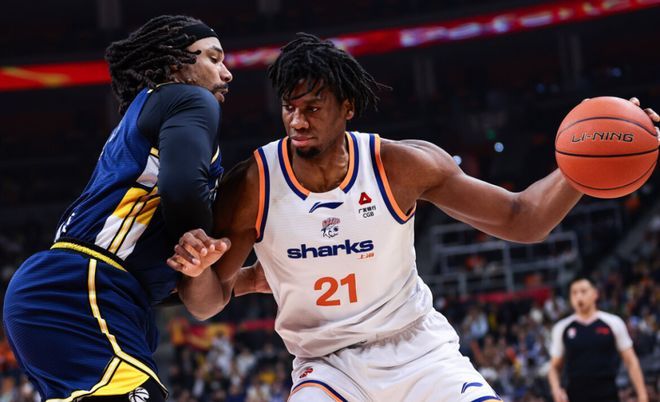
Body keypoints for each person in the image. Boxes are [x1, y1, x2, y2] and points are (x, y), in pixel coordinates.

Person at [168, 34, 660, 401]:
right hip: (326, 365)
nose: (298, 120)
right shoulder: (253, 184)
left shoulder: (401, 166)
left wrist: (582, 169)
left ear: (347, 107)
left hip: (419, 349)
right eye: (289, 107)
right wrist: (198, 273)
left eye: (313, 107)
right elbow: (207, 302)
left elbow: (523, 218)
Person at [2, 15, 236, 401]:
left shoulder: (145, 115)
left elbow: (178, 284)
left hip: (86, 292)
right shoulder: (189, 99)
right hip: (85, 288)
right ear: (176, 64)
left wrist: (234, 280)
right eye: (213, 58)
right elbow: (182, 192)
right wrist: (199, 244)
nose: (226, 73)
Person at [548, 276, 649, 402]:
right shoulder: (562, 328)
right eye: (574, 293)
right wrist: (556, 389)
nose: (579, 296)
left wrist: (642, 396)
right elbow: (554, 367)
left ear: (595, 294)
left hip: (608, 395)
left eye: (583, 291)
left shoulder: (613, 322)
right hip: (575, 396)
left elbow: (631, 361)